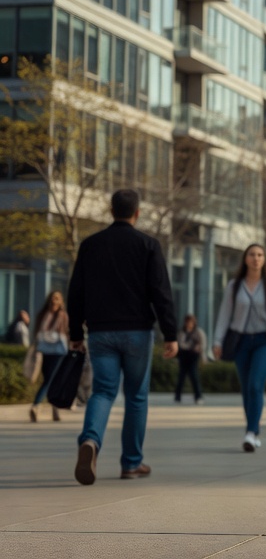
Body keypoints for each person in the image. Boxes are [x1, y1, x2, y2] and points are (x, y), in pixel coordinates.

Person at [67, 189, 178, 485]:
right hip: (137, 332)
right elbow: (161, 293)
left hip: (101, 332)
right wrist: (171, 334)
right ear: (137, 212)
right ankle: (131, 463)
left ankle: (90, 441)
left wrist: (76, 332)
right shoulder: (148, 245)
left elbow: (76, 292)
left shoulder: (90, 245)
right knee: (136, 397)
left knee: (102, 391)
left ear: (110, 209)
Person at [213, 244, 266, 450]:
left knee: (256, 385)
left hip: (265, 340)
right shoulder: (234, 286)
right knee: (247, 389)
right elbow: (224, 316)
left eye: (260, 255)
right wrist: (217, 341)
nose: (256, 258)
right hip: (241, 341)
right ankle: (253, 430)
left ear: (264, 259)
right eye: (252, 255)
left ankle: (250, 432)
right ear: (245, 259)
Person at [29, 291, 70, 422]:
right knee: (49, 379)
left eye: (57, 298)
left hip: (58, 352)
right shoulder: (43, 315)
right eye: (53, 298)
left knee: (50, 380)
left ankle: (40, 406)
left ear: (61, 301)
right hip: (45, 350)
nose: (55, 300)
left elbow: (66, 332)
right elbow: (36, 332)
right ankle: (47, 408)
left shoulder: (62, 315)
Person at [175, 314, 206, 404]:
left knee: (194, 376)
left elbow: (202, 344)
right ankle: (178, 396)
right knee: (181, 376)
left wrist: (202, 356)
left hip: (193, 356)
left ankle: (198, 396)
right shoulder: (182, 332)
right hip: (184, 355)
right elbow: (180, 344)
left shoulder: (198, 332)